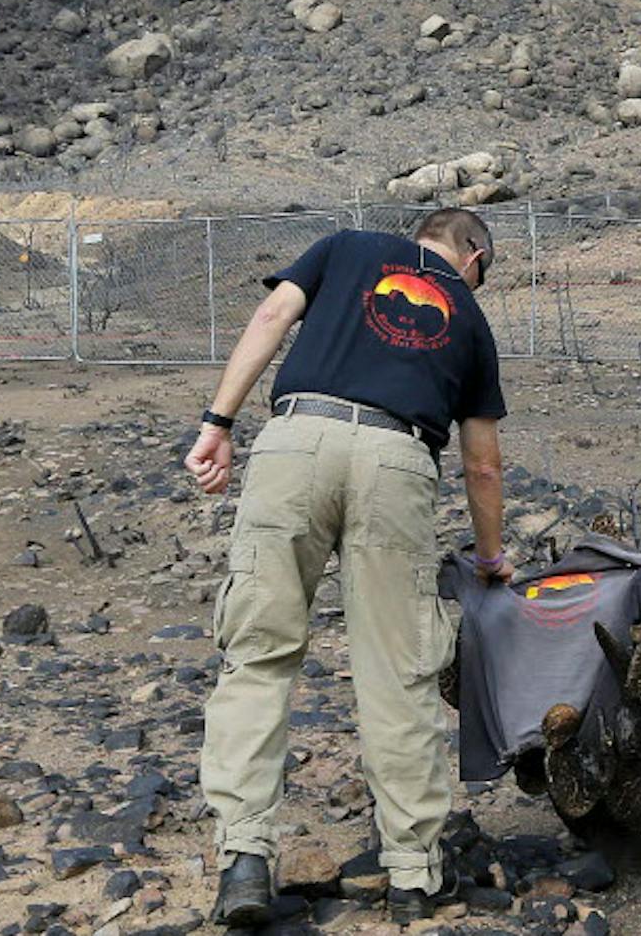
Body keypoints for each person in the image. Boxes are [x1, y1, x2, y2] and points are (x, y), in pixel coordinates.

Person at [184, 206, 516, 928]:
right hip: (398, 460)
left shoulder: (345, 247)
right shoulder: (468, 313)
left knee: (259, 654)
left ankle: (244, 858)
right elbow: (482, 465)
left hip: (295, 438)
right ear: (473, 255)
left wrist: (218, 423)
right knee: (397, 673)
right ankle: (413, 873)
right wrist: (490, 557)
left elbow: (273, 314)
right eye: (483, 274)